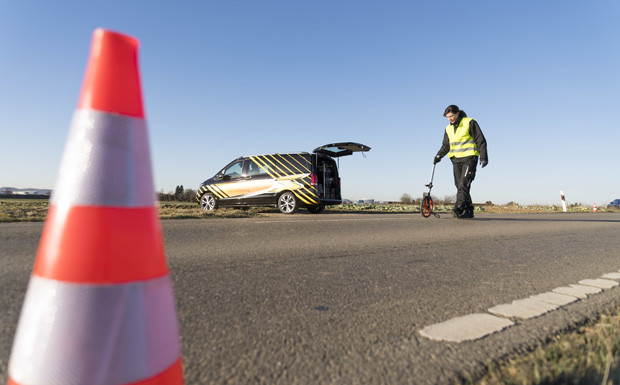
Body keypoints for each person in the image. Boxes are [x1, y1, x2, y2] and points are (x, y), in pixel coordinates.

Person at [433, 105, 488, 219]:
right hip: (456, 160)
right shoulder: (448, 129)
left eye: (451, 116)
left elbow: (480, 140)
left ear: (457, 113)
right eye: (448, 117)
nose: (450, 119)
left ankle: (458, 208)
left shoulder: (470, 123)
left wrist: (484, 157)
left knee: (463, 183)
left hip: (470, 158)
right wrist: (439, 155)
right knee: (459, 185)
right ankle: (469, 211)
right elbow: (445, 146)